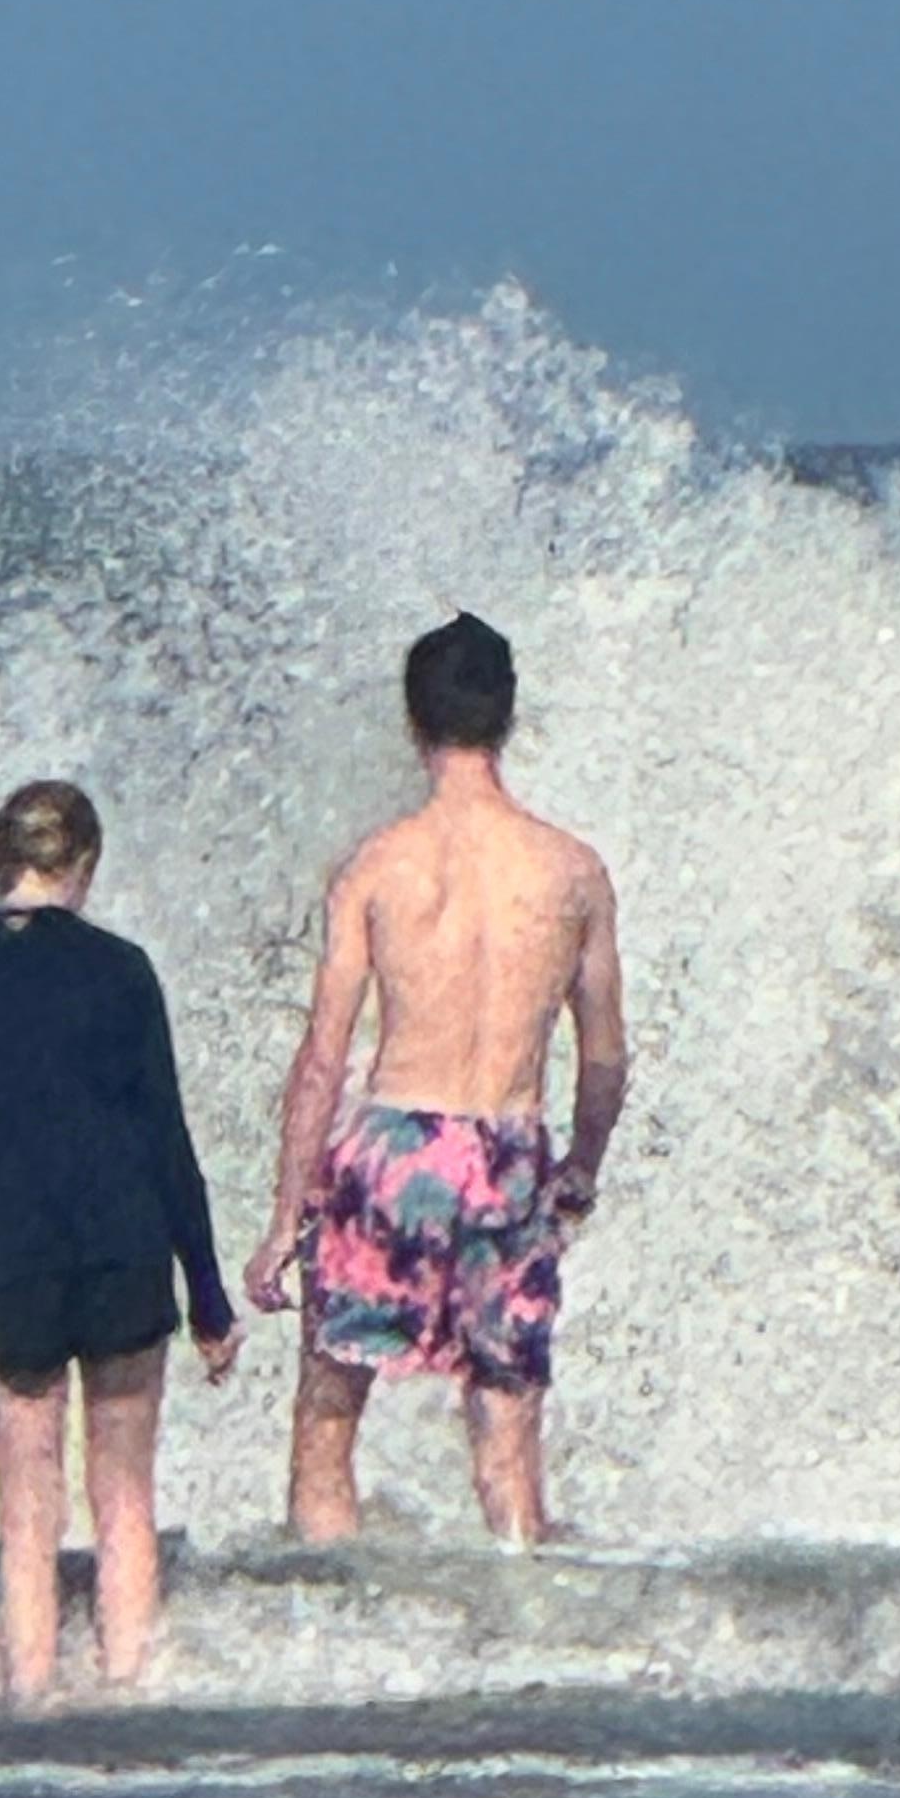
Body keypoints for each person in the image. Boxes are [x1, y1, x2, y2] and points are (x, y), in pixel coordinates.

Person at [0, 778, 239, 1706]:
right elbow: (168, 1145)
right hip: (122, 1256)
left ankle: (29, 1705)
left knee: (27, 1518)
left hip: (7, 1266)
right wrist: (209, 1300)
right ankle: (128, 1693)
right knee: (125, 1503)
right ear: (82, 868)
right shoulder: (123, 970)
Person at [244, 615, 626, 1548]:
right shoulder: (573, 872)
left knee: (329, 1416)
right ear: (509, 719)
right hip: (509, 1149)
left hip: (394, 1149)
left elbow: (324, 1058)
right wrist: (578, 1166)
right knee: (507, 1433)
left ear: (414, 724)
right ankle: (524, 1634)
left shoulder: (377, 867)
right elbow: (606, 1057)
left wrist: (286, 1213)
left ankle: (325, 1631)